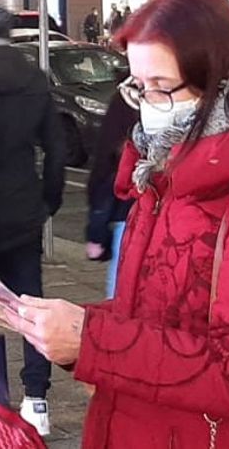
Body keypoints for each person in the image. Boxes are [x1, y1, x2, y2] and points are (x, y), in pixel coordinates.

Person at [7, 0, 229, 448]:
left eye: (162, 87)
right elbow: (160, 314)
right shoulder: (166, 170)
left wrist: (93, 342)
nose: (148, 104)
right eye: (138, 87)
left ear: (223, 80)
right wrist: (72, 326)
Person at [0, 3, 66, 436]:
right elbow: (56, 149)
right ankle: (37, 401)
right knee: (29, 305)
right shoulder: (34, 78)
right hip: (21, 207)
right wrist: (49, 201)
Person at [84, 80, 139, 298]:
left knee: (119, 289)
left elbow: (104, 158)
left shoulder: (125, 99)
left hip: (126, 209)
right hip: (134, 209)